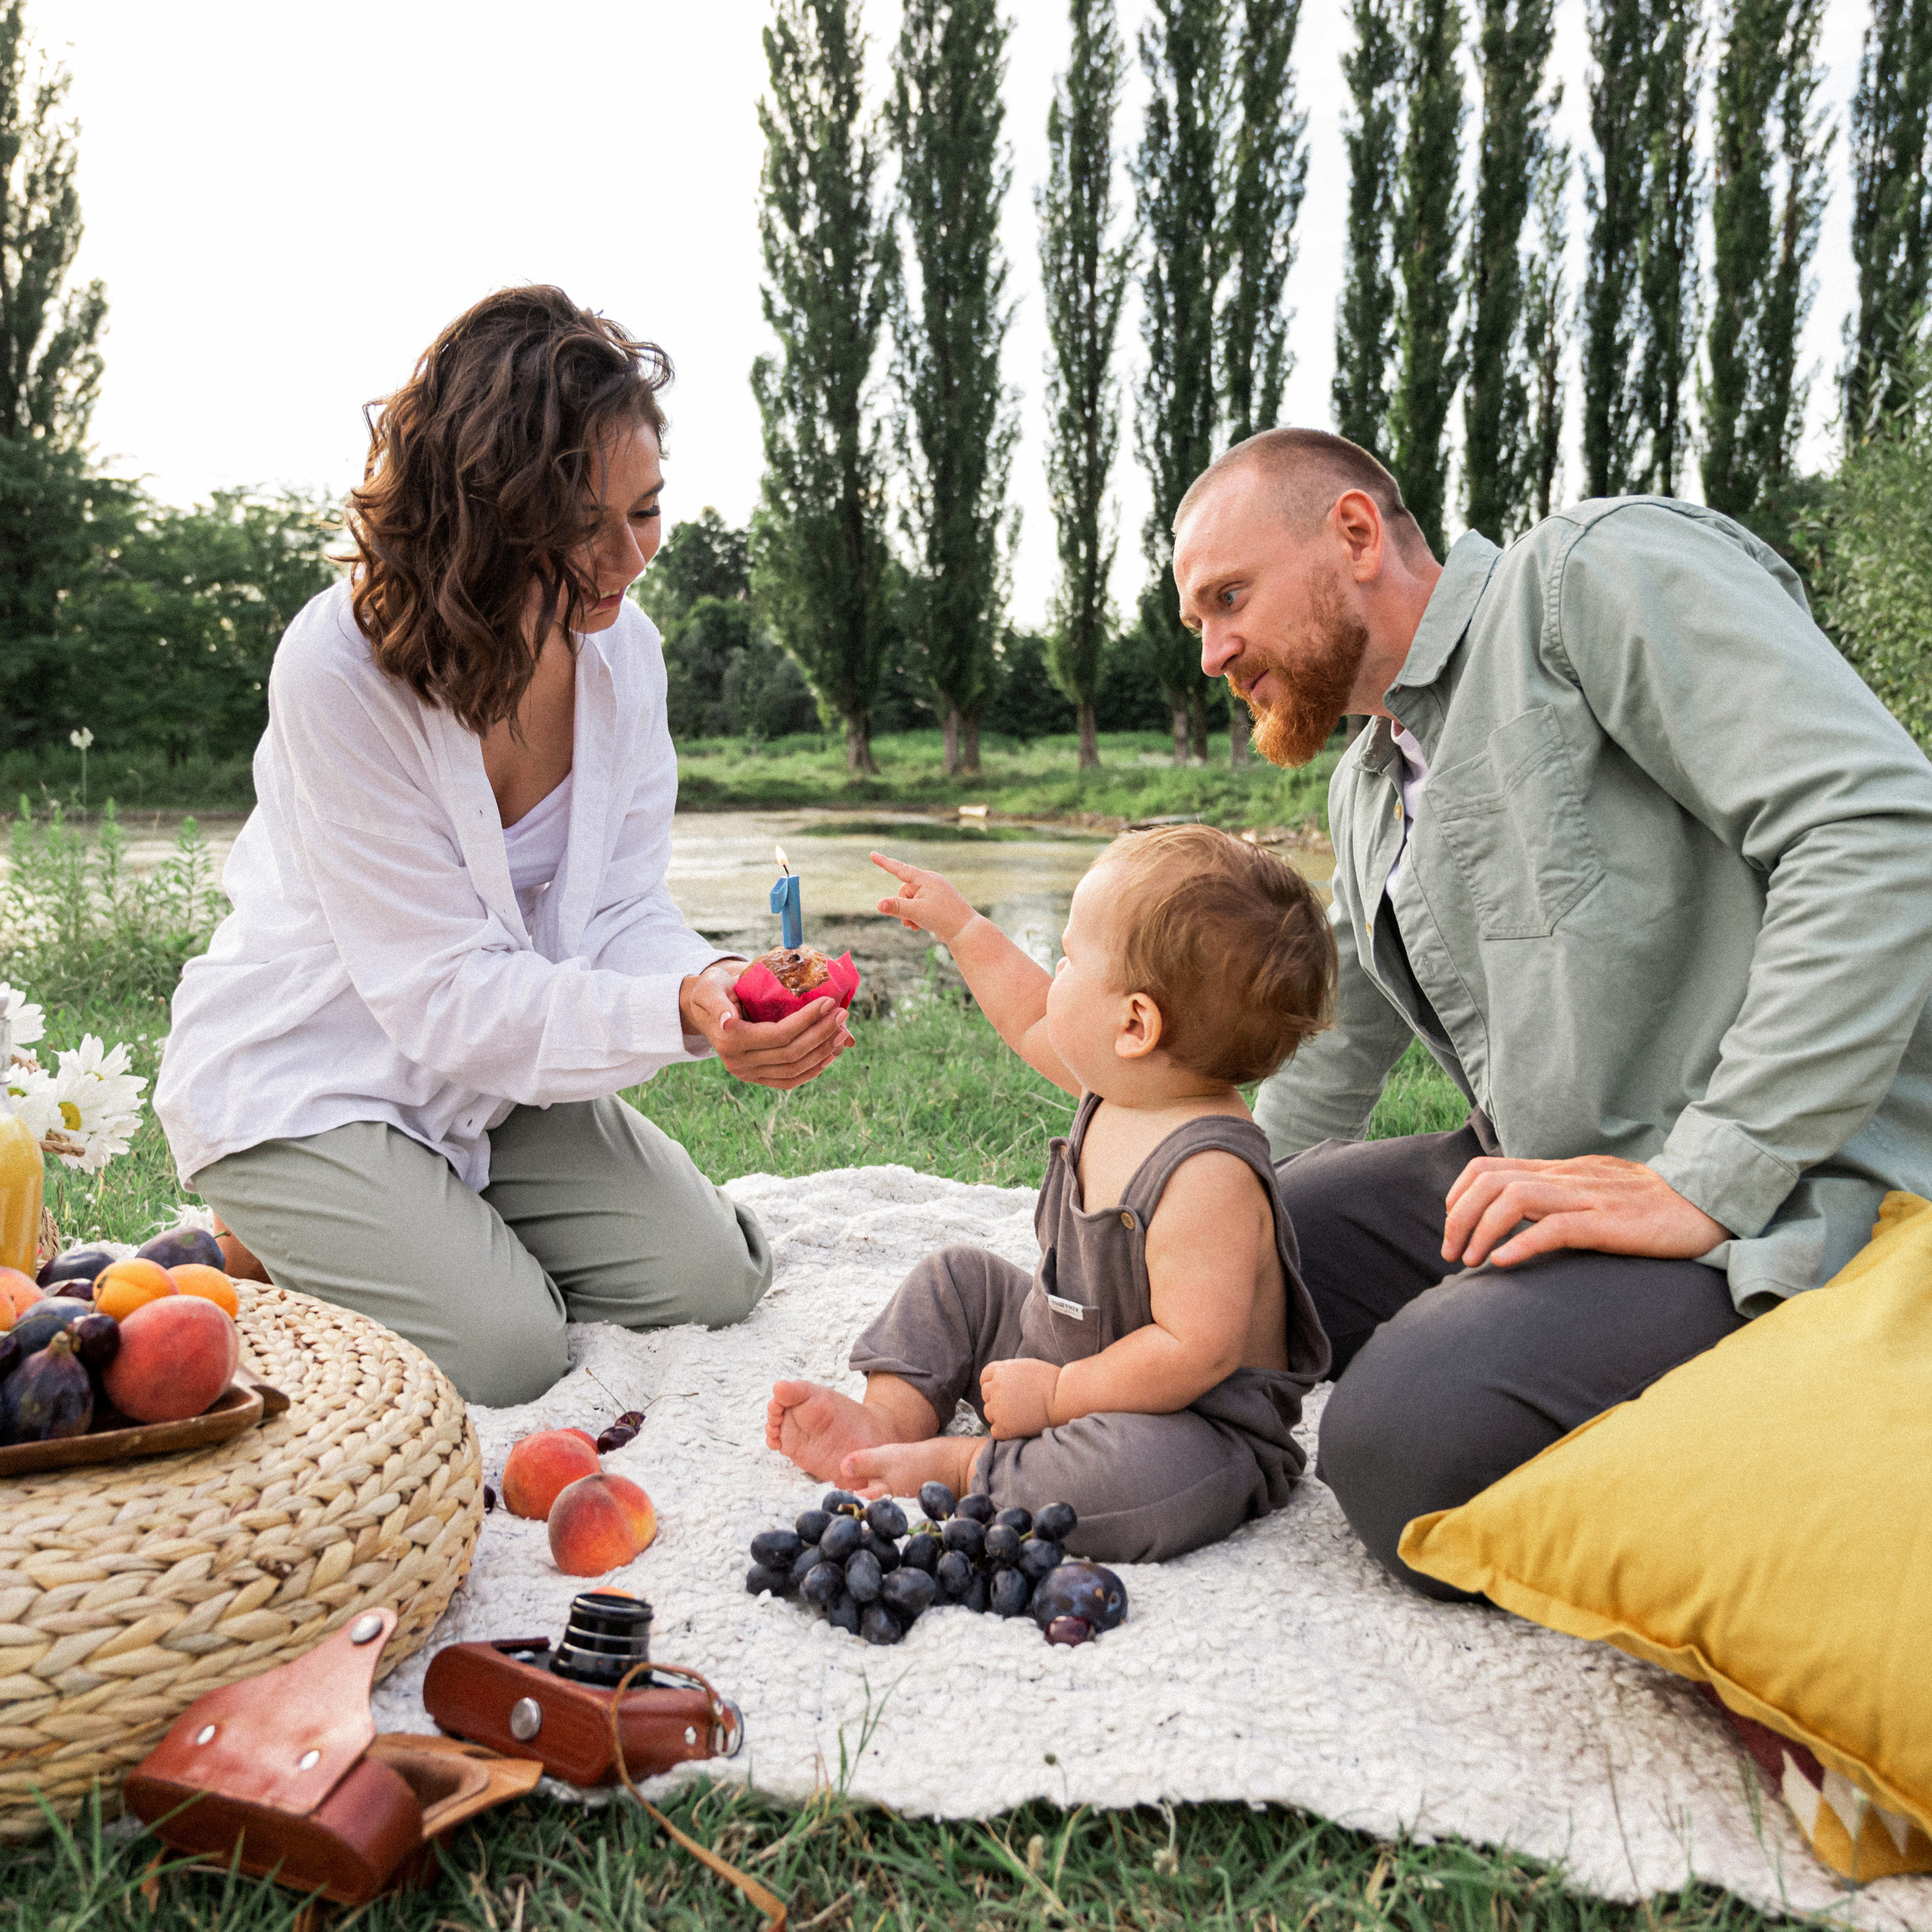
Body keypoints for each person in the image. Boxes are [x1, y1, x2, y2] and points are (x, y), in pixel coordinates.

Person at [1169, 426, 1932, 1598]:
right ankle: (1543, 1328)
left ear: (1357, 534)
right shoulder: (1370, 779)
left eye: (1231, 597)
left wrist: (1702, 1179)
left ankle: (1819, 1483)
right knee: (1256, 1246)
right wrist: (1194, 1190)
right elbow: (1342, 1033)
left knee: (1399, 1441)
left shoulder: (1592, 580)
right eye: (1199, 622)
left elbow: (1877, 833)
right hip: (1556, 1166)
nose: (1216, 651)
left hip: (1780, 1178)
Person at [154, 287, 852, 1407]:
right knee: (509, 1351)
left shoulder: (626, 658)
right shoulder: (340, 668)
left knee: (717, 1276)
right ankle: (263, 1229)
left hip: (493, 1086)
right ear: (486, 511)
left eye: (649, 511)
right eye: (588, 523)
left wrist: (710, 981)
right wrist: (670, 1012)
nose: (632, 557)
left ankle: (422, 1225)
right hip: (314, 1075)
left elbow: (620, 910)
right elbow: (437, 997)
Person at [764, 826, 1335, 1564]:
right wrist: (961, 927)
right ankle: (888, 1422)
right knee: (956, 1279)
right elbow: (1032, 1015)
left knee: (1133, 1476)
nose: (1052, 972)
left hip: (1190, 1420)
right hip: (1061, 1347)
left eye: (1067, 958)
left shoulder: (1209, 1174)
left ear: (1134, 1023)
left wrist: (1061, 1396)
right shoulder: (1125, 1082)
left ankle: (963, 1466)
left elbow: (1193, 1352)